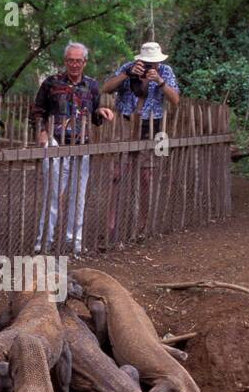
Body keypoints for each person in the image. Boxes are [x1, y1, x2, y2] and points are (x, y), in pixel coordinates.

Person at [31, 41, 115, 255]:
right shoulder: (51, 83)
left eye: (78, 60)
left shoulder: (92, 86)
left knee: (78, 196)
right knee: (53, 194)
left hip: (81, 145)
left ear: (84, 62)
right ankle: (44, 243)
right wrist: (42, 132)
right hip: (56, 143)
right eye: (70, 60)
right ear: (65, 61)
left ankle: (73, 243)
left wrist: (102, 113)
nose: (74, 64)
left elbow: (93, 116)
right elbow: (38, 111)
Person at [100, 40, 180, 240]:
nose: (149, 67)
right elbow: (106, 88)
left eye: (152, 64)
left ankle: (143, 224)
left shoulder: (166, 71)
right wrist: (127, 74)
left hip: (154, 127)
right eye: (146, 63)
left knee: (148, 177)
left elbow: (176, 100)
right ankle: (110, 224)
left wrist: (160, 81)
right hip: (126, 123)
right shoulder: (128, 68)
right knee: (117, 175)